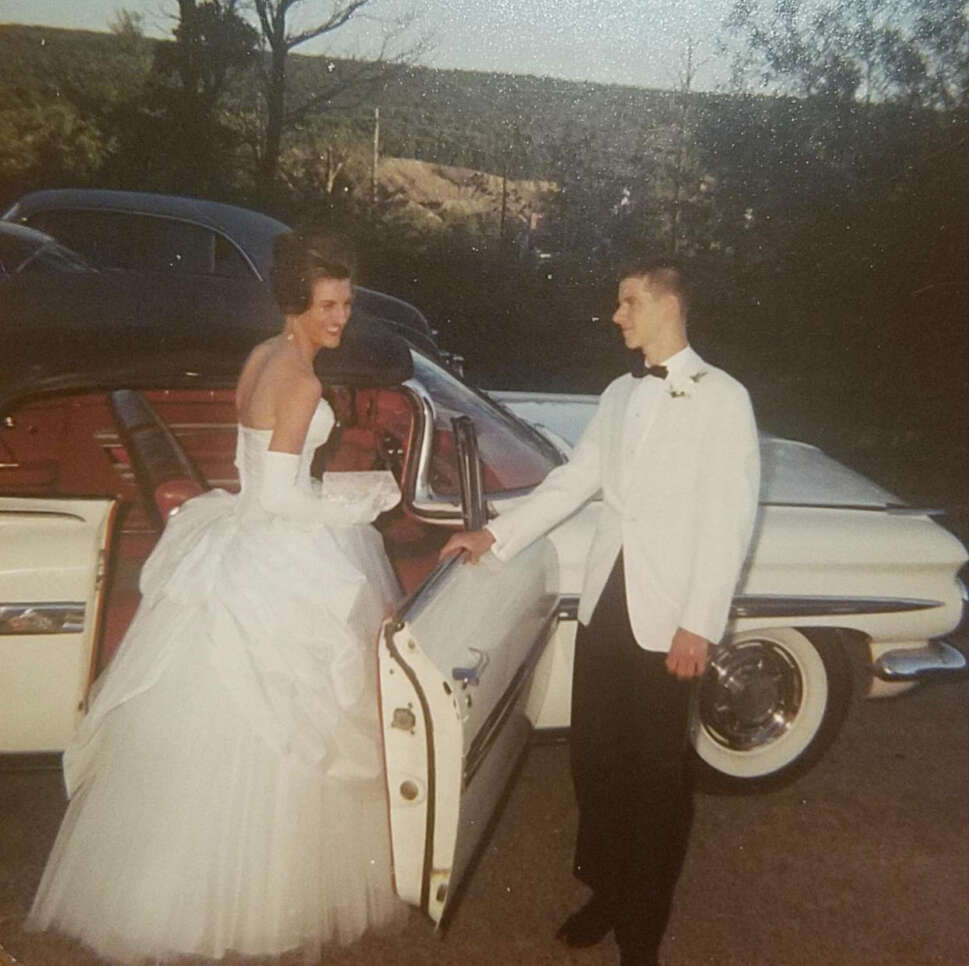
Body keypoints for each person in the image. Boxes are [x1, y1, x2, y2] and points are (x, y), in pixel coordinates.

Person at [26, 231, 406, 963]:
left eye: (349, 303)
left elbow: (258, 476)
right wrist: (363, 497)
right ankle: (255, 904)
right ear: (299, 301)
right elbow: (288, 501)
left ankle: (168, 895)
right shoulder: (300, 382)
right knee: (284, 731)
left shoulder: (263, 356)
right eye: (330, 305)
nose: (342, 318)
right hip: (276, 543)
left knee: (225, 728)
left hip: (238, 535)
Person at [441, 257, 760, 966]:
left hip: (669, 616)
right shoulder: (618, 392)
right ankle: (608, 892)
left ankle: (641, 933)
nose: (617, 316)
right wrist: (496, 533)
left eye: (628, 303)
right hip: (607, 606)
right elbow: (575, 480)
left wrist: (700, 623)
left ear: (668, 305)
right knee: (595, 762)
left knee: (655, 778)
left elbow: (728, 520)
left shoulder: (724, 398)